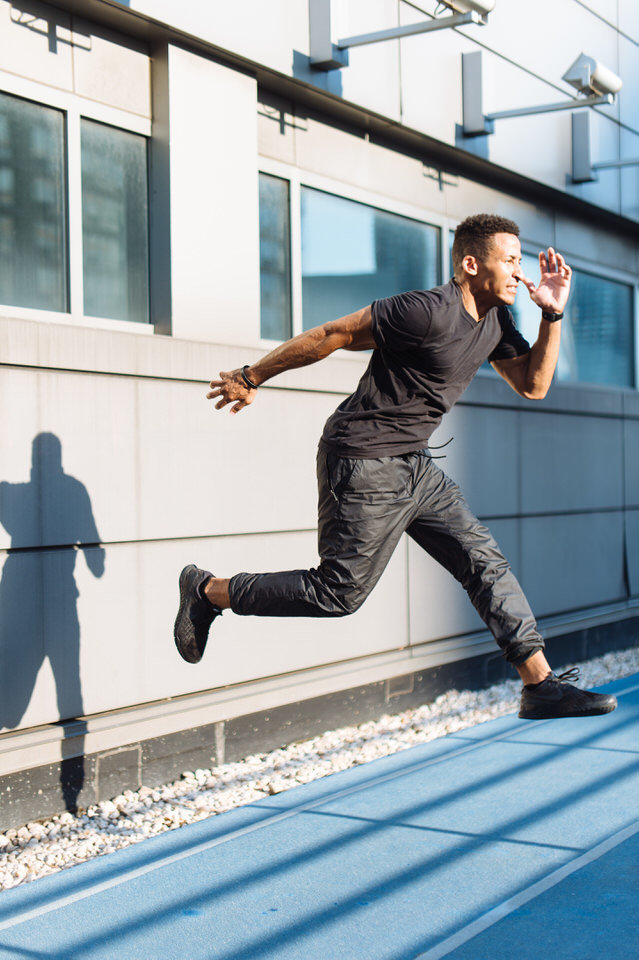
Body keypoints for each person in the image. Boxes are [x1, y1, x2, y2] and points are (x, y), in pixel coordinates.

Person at [173, 213, 617, 721]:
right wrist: (252, 375)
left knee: (483, 561)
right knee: (337, 593)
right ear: (471, 264)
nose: (520, 272)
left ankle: (540, 687)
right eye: (511, 260)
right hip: (361, 459)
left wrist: (553, 317)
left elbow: (534, 385)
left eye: (521, 261)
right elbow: (334, 333)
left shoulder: (496, 322)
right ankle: (208, 591)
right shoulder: (424, 311)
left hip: (415, 466)